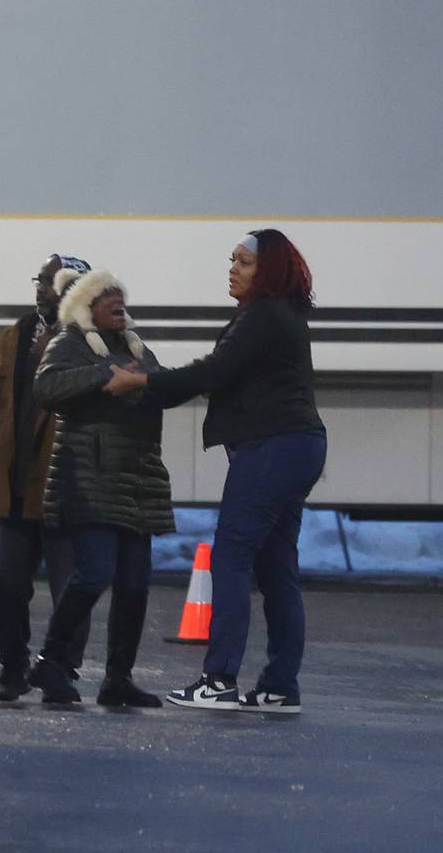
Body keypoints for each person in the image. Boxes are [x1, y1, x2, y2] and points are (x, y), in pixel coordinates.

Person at [106, 229, 326, 713]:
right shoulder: (281, 315)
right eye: (233, 260)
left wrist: (140, 382)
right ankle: (278, 686)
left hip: (272, 449)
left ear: (267, 270)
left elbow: (211, 371)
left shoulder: (263, 315)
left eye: (244, 262)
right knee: (276, 568)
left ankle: (219, 680)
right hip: (298, 447)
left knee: (231, 556)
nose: (233, 268)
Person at [27, 269, 174, 707]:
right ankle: (51, 662)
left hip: (137, 481)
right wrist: (103, 376)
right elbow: (46, 388)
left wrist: (144, 381)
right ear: (85, 307)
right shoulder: (69, 342)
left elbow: (162, 388)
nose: (117, 301)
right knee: (93, 572)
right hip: (89, 478)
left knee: (134, 583)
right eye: (106, 296)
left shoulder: (137, 347)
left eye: (120, 295)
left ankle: (118, 678)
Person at [0, 253, 94, 702]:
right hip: (16, 489)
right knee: (9, 585)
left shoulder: (92, 341)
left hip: (66, 491)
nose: (40, 288)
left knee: (71, 588)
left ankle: (59, 668)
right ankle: (12, 667)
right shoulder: (14, 338)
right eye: (39, 279)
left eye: (51, 281)